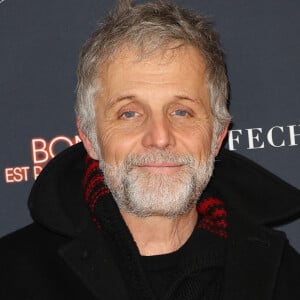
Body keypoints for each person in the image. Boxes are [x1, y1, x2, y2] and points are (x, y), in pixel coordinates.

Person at [1, 1, 300, 299]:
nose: (159, 137)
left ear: (218, 134)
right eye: (130, 113)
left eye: (181, 112)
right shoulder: (13, 276)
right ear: (90, 137)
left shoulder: (282, 277)